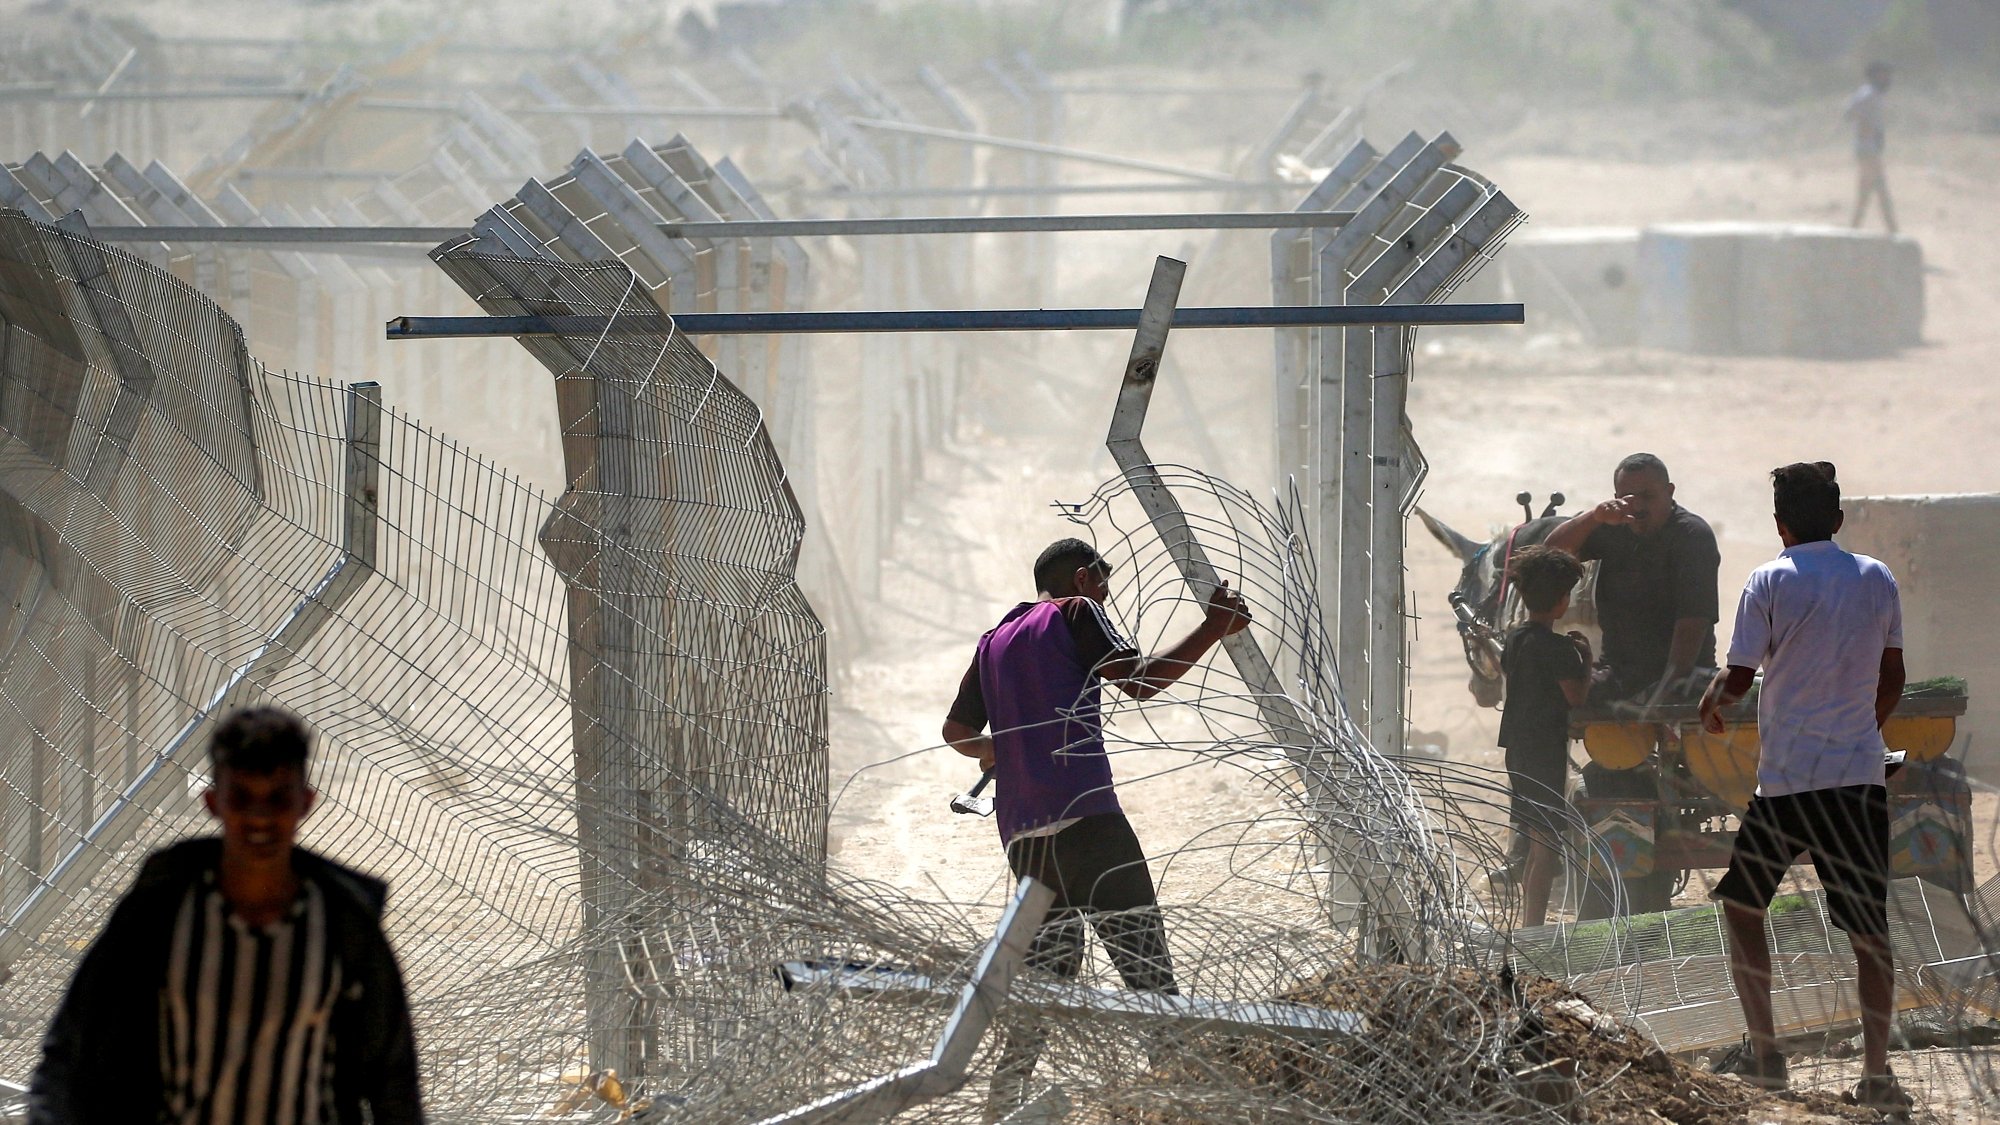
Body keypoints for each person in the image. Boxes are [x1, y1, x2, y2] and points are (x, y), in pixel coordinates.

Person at [941, 537, 1249, 1118]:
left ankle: (1003, 1103)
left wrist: (999, 752)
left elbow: (955, 729)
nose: (1106, 600)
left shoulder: (992, 644)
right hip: (1089, 822)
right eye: (1104, 587)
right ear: (1083, 578)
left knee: (1045, 981)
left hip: (1025, 837)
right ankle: (1190, 1100)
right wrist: (1215, 626)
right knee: (1147, 971)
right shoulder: (1076, 613)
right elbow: (1140, 681)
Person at [30, 706, 423, 1125]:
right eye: (242, 797)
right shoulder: (159, 914)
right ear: (213, 802)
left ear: (305, 802)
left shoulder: (344, 924)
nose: (259, 817)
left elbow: (392, 1078)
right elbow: (68, 1055)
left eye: (277, 798)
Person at [1698, 463, 1910, 1114]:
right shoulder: (1877, 578)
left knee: (1741, 907)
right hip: (1854, 783)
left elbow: (1737, 678)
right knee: (1869, 930)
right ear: (1838, 520)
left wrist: (1710, 702)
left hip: (1787, 786)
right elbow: (1894, 676)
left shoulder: (1768, 579)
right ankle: (1877, 1072)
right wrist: (1861, 734)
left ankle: (1766, 1054)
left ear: (1780, 525)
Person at [1544, 453, 1720, 705]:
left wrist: (1662, 698)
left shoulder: (1692, 536)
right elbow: (1549, 555)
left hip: (1685, 677)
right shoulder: (1614, 526)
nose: (1637, 506)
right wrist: (1594, 517)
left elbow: (1692, 624)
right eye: (1628, 498)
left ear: (1669, 492)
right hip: (1619, 672)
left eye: (1647, 496)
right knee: (1547, 692)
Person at [1498, 546, 1591, 928]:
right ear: (1562, 601)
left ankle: (1529, 923)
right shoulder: (1559, 649)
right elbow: (1577, 697)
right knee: (1547, 846)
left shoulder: (1516, 637)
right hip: (1543, 751)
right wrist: (1585, 659)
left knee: (1536, 839)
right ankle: (1533, 927)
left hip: (1518, 749)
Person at [1845, 62, 1898, 235]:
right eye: (1884, 75)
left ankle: (1852, 231)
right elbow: (1850, 113)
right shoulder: (1868, 94)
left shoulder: (1873, 94)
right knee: (1881, 188)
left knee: (1865, 192)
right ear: (1875, 76)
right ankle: (1893, 231)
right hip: (1867, 149)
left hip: (1869, 148)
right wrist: (1865, 128)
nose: (1888, 79)